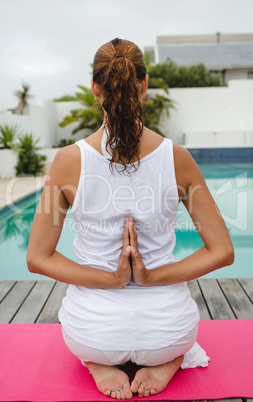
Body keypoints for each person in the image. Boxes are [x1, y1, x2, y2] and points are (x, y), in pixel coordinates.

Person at [27, 38, 234, 400]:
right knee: (175, 343)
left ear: (95, 87)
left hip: (93, 334)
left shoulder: (67, 161)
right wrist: (150, 276)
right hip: (168, 333)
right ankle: (169, 361)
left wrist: (111, 279)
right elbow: (222, 251)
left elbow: (37, 258)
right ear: (145, 83)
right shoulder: (178, 158)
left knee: (85, 341)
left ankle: (97, 364)